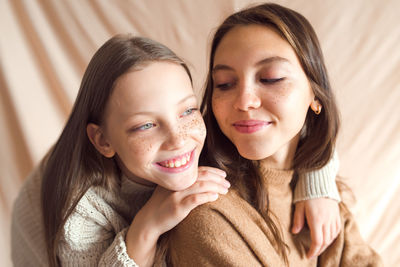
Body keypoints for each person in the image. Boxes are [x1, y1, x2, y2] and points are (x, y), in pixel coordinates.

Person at [11, 34, 340, 266]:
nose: (178, 139)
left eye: (187, 111)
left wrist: (317, 183)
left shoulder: (202, 131)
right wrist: (148, 224)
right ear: (103, 140)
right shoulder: (82, 207)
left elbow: (291, 128)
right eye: (145, 125)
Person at [167, 3, 383, 267]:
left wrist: (319, 182)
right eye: (224, 84)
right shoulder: (205, 212)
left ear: (315, 94)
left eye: (271, 78)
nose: (244, 101)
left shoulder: (323, 197)